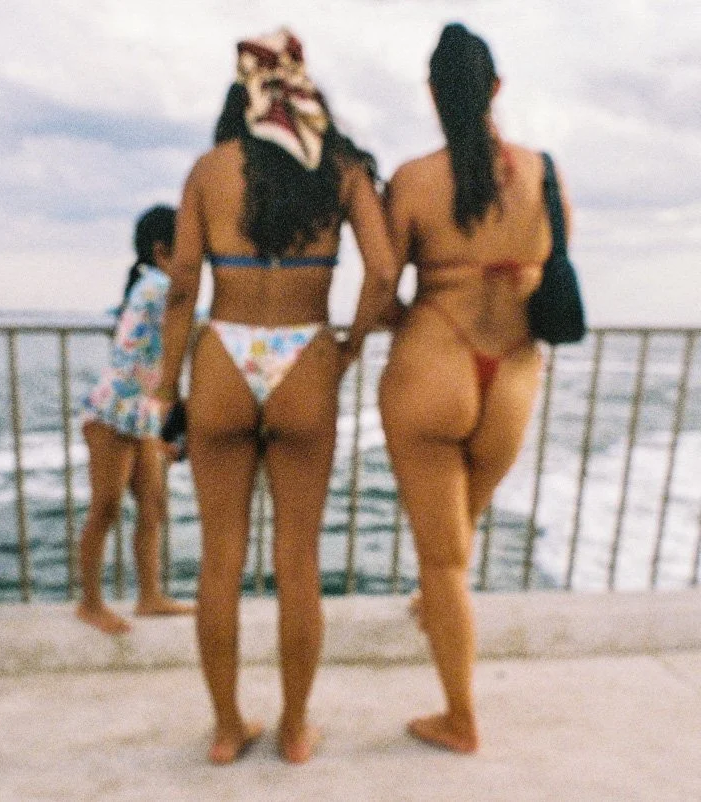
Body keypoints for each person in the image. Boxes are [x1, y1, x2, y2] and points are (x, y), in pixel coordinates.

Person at [156, 29, 398, 765]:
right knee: (298, 561)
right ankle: (294, 729)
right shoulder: (342, 170)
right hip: (305, 357)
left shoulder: (209, 169)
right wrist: (349, 346)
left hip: (225, 358)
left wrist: (166, 386)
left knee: (219, 561)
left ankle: (228, 728)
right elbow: (384, 273)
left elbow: (182, 284)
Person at [376, 23, 571, 753]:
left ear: (433, 93)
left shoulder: (414, 180)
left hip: (434, 360)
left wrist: (392, 325)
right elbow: (553, 265)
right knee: (458, 535)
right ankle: (437, 609)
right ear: (495, 88)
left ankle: (460, 717)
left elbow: (381, 283)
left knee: (444, 560)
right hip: (513, 373)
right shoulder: (542, 172)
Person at [76, 205, 195, 635]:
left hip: (138, 413)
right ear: (163, 252)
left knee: (153, 503)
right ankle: (89, 603)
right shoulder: (158, 286)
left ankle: (149, 596)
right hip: (113, 414)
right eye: (189, 248)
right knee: (105, 507)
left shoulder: (153, 285)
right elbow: (197, 325)